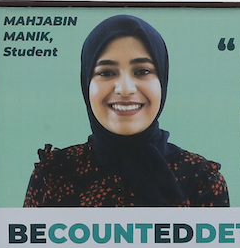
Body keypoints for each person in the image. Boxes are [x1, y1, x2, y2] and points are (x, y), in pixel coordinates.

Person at [23, 14, 229, 208]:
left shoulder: (200, 178)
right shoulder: (54, 175)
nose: (124, 89)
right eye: (106, 72)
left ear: (162, 80)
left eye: (142, 71)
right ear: (86, 82)